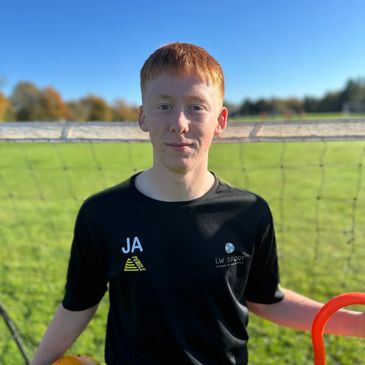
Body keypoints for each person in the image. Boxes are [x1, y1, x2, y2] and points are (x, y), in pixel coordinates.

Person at [31, 42, 365, 365]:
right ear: (143, 116)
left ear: (219, 121)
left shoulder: (250, 212)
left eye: (196, 106)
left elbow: (266, 298)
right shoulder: (101, 214)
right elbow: (78, 305)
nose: (179, 122)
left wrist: (354, 323)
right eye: (164, 106)